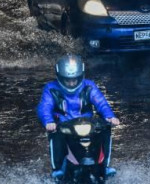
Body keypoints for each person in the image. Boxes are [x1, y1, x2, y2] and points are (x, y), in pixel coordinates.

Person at [37, 54, 120, 183]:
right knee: (54, 133)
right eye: (67, 80)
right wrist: (48, 122)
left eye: (74, 80)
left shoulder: (89, 86)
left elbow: (101, 103)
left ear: (81, 76)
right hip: (64, 126)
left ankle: (105, 166)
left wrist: (110, 117)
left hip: (88, 124)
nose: (71, 83)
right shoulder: (50, 88)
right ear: (60, 78)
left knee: (106, 128)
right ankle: (57, 169)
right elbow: (44, 107)